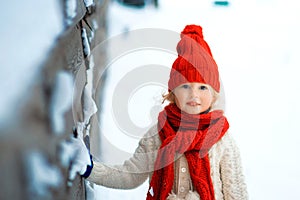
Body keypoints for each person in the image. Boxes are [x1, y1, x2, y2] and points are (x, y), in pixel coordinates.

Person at [71, 24, 248, 200]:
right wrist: (91, 169)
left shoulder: (221, 140)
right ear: (172, 92)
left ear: (214, 94)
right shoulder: (157, 135)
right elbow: (130, 175)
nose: (194, 94)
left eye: (202, 87)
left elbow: (236, 192)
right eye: (185, 86)